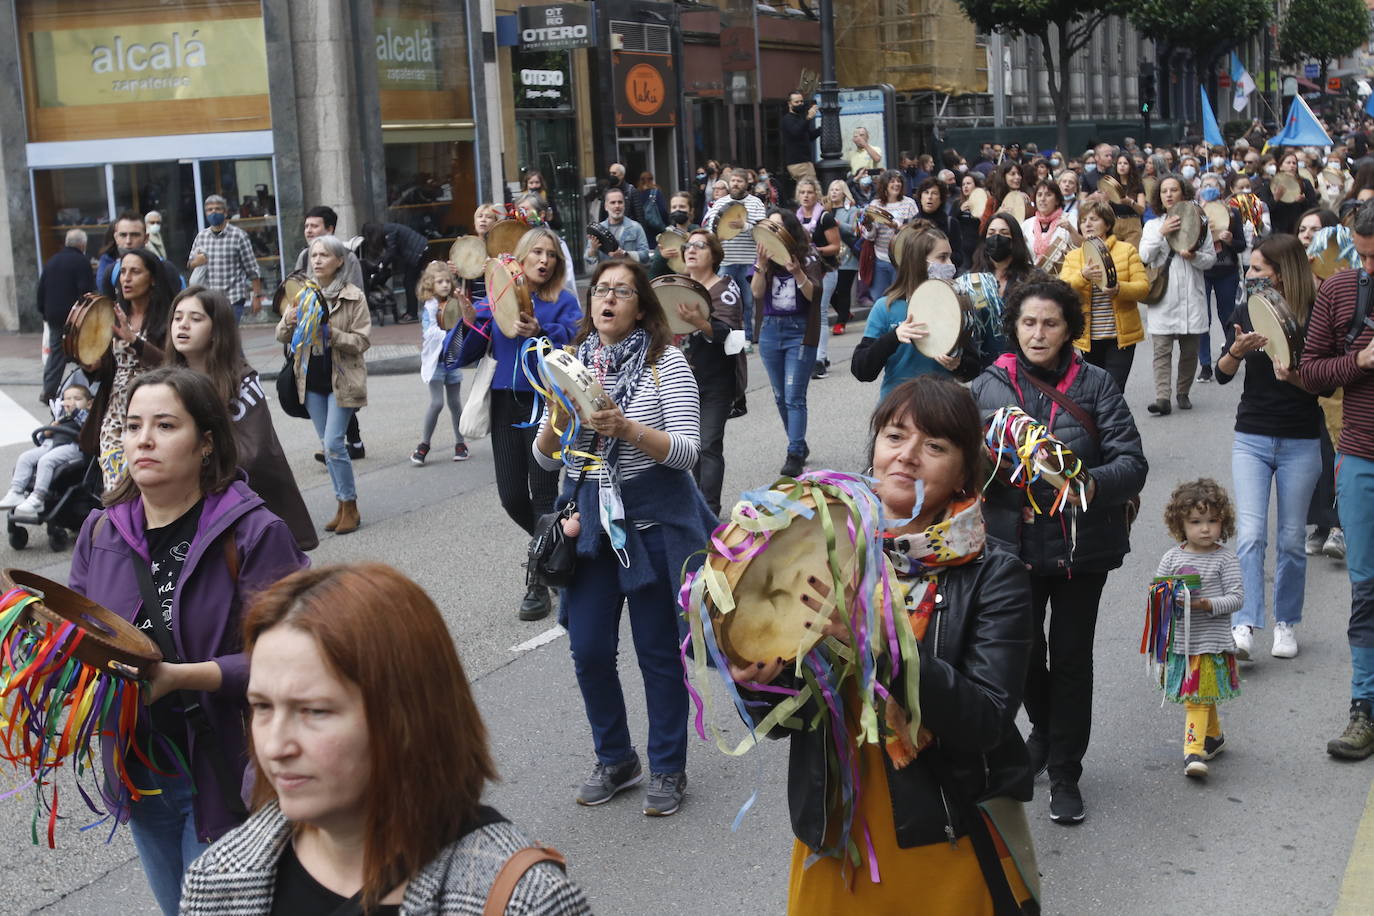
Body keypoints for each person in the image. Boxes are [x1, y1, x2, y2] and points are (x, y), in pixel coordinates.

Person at [732, 375, 1036, 912]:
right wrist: (758, 681)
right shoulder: (821, 548)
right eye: (895, 436)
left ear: (964, 472)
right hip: (838, 830)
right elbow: (785, 721)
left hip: (944, 829)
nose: (908, 455)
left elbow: (986, 720)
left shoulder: (996, 575)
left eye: (935, 446)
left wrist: (876, 642)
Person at [179, 564, 590, 914]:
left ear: (410, 714)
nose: (274, 747)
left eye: (314, 711)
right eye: (262, 707)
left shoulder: (525, 901)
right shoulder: (219, 879)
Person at [68, 367, 309, 915]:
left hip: (227, 771)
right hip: (139, 771)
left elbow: (297, 658)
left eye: (165, 425)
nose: (143, 440)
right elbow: (81, 636)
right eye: (132, 426)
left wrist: (185, 678)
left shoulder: (254, 533)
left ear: (206, 443)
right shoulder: (101, 531)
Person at [533, 259, 714, 818]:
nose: (608, 299)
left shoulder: (667, 362)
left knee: (657, 653)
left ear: (640, 308)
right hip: (588, 521)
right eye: (601, 290)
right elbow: (546, 459)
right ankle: (616, 758)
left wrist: (628, 429)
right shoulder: (572, 362)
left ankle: (668, 766)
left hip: (652, 520)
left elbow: (687, 452)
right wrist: (557, 418)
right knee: (588, 650)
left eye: (622, 292)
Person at [971, 277, 1148, 824]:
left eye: (1050, 323)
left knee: (1071, 660)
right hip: (1011, 549)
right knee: (1022, 655)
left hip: (1081, 549)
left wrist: (1086, 484)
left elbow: (1132, 463)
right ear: (1014, 327)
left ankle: (1066, 771)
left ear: (1069, 328)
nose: (1038, 333)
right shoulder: (988, 386)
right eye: (1029, 322)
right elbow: (965, 465)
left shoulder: (1095, 384)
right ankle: (1045, 732)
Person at [455, 226, 581, 621]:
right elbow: (461, 355)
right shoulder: (499, 296)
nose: (545, 260)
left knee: (543, 495)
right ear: (521, 258)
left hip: (547, 402)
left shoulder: (563, 301)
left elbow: (578, 345)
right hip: (504, 403)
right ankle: (557, 550)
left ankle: (538, 582)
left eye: (552, 255)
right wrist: (468, 321)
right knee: (511, 497)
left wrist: (543, 331)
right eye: (537, 253)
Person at [1218, 234, 1324, 662]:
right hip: (1253, 436)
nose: (1250, 275)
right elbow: (1222, 372)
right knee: (1250, 535)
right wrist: (1235, 351)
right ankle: (1244, 623)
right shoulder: (1247, 310)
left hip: (1301, 439)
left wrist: (1294, 377)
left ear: (1281, 273)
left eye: (1258, 269)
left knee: (1293, 538)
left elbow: (1327, 385)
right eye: (1250, 268)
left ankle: (1286, 623)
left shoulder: (1316, 314)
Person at [165, 287, 318, 552]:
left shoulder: (241, 379)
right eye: (177, 318)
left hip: (244, 507)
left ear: (217, 330)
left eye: (195, 318)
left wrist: (196, 464)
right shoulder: (166, 382)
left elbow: (254, 451)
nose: (183, 325)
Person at [276, 235, 371, 535]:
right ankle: (341, 505)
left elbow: (362, 341)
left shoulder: (354, 296)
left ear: (339, 261)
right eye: (314, 255)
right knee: (328, 447)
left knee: (333, 444)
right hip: (311, 380)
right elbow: (281, 336)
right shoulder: (303, 294)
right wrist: (289, 320)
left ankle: (350, 506)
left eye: (324, 255)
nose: (317, 260)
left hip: (342, 379)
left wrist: (332, 334)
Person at [1153, 479, 1244, 779]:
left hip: (1211, 641)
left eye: (1212, 521)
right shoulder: (1172, 558)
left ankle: (1192, 751)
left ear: (1223, 522)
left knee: (1197, 696)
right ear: (1180, 523)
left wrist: (1207, 604)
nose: (1205, 529)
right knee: (1203, 694)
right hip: (1183, 642)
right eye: (1195, 522)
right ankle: (1213, 736)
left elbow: (1236, 598)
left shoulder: (1225, 558)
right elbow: (1157, 592)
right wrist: (1168, 597)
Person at [81, 247, 179, 491]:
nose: (126, 278)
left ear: (152, 278)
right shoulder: (114, 314)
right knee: (115, 488)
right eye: (123, 272)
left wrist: (134, 341)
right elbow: (109, 367)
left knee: (150, 487)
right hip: (116, 415)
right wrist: (92, 365)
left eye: (135, 272)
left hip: (156, 410)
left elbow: (172, 365)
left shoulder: (169, 317)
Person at [852, 226, 979, 399]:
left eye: (950, 256)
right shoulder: (886, 307)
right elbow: (861, 370)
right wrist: (894, 337)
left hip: (943, 406)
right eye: (942, 257)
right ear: (918, 262)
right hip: (898, 406)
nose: (950, 264)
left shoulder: (955, 304)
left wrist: (958, 364)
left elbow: (973, 367)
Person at [751, 208, 826, 476]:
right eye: (769, 227)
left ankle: (794, 452)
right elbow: (756, 293)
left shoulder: (807, 256)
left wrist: (797, 273)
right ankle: (799, 444)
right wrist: (761, 265)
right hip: (771, 331)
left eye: (777, 227)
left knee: (794, 395)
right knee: (780, 396)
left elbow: (813, 295)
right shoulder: (765, 257)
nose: (772, 232)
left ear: (789, 230)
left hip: (800, 331)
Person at [679, 229, 745, 516]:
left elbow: (732, 335)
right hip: (684, 379)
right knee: (692, 447)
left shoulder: (725, 289)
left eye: (700, 246)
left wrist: (701, 323)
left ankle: (710, 511)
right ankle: (700, 505)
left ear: (714, 255)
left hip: (717, 380)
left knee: (708, 444)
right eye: (688, 245)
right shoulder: (680, 287)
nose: (691, 250)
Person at [1139, 174, 1216, 415]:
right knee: (1161, 352)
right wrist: (1162, 233)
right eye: (1164, 191)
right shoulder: (1153, 226)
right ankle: (1163, 397)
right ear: (1159, 197)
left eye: (1173, 190)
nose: (1169, 194)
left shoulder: (1199, 223)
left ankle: (1183, 392)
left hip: (1192, 296)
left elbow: (1210, 259)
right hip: (1164, 297)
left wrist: (1195, 257)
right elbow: (1144, 256)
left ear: (1183, 193)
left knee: (1190, 352)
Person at [1059, 199, 1148, 393]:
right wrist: (1082, 276)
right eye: (1083, 220)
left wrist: (1119, 289)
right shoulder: (1074, 256)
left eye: (1094, 219)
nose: (1087, 224)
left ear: (1107, 224)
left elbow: (1143, 288)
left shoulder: (1127, 250)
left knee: (1113, 391)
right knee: (1096, 392)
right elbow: (1062, 290)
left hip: (1120, 337)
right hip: (1089, 339)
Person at [1, 383, 91, 519]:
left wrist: (75, 412)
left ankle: (39, 496)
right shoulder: (62, 416)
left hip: (74, 446)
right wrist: (48, 432)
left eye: (77, 399)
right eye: (68, 399)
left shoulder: (87, 416)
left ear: (89, 403)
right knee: (25, 457)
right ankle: (16, 491)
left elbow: (89, 428)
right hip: (54, 445)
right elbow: (42, 438)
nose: (72, 402)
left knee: (46, 461)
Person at [410, 261, 468, 466]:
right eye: (439, 282)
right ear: (430, 284)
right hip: (436, 363)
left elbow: (464, 322)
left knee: (455, 403)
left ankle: (460, 443)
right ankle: (424, 444)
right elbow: (430, 332)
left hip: (452, 360)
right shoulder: (430, 306)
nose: (444, 285)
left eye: (447, 281)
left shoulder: (453, 302)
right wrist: (451, 334)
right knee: (437, 403)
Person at [36, 227, 94, 403]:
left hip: (54, 316)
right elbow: (86, 291)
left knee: (56, 354)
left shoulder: (52, 261)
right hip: (75, 317)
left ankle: (49, 391)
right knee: (84, 351)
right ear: (83, 244)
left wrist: (44, 312)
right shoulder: (82, 262)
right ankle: (89, 388)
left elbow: (41, 289)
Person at [187, 194, 263, 325]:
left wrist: (256, 296)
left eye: (217, 209)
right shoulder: (201, 237)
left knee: (228, 335)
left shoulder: (239, 236)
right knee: (212, 335)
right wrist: (196, 262)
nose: (213, 212)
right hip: (209, 299)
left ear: (225, 212)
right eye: (209, 210)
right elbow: (190, 264)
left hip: (233, 299)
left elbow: (252, 269)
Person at [705, 168, 770, 318]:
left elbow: (762, 233)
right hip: (726, 261)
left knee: (748, 303)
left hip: (749, 262)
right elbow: (710, 230)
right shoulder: (720, 203)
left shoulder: (756, 203)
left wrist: (744, 226)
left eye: (739, 181)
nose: (735, 184)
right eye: (733, 181)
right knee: (725, 303)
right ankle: (731, 331)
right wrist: (717, 237)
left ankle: (748, 332)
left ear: (746, 184)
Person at [795, 178, 841, 379]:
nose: (806, 196)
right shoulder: (795, 218)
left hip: (825, 270)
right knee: (807, 314)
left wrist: (815, 250)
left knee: (820, 312)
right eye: (802, 192)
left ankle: (819, 360)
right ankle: (816, 354)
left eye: (810, 192)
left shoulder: (825, 217)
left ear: (816, 195)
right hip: (803, 271)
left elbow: (835, 246)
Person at [861, 169, 918, 297]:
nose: (896, 184)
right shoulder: (875, 205)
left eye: (899, 181)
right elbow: (870, 237)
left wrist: (897, 227)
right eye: (892, 181)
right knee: (879, 297)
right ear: (885, 184)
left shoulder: (909, 203)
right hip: (880, 258)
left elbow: (914, 231)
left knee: (899, 297)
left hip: (902, 259)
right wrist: (868, 226)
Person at [1022, 179, 1077, 277]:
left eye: (1048, 195)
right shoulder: (1026, 224)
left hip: (1062, 279)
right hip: (1031, 279)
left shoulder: (1070, 219)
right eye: (1039, 195)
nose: (1042, 199)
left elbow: (1080, 247)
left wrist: (1071, 230)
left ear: (1057, 200)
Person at [827, 180, 860, 335]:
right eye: (832, 189)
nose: (834, 192)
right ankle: (844, 312)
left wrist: (837, 223)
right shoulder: (825, 210)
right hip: (829, 256)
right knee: (828, 290)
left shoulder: (852, 210)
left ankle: (840, 323)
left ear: (844, 193)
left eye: (837, 190)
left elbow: (854, 230)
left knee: (843, 289)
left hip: (847, 256)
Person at [1259, 150, 1319, 236]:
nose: (1292, 165)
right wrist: (1275, 199)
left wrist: (1303, 201)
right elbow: (1264, 209)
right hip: (1277, 229)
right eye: (1288, 163)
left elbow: (1314, 207)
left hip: (1297, 227)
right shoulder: (1268, 185)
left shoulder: (1305, 183)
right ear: (1280, 166)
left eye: (1294, 163)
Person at [586, 187, 650, 266]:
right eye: (613, 203)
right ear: (606, 206)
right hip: (607, 273)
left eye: (620, 202)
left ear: (624, 205)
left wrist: (625, 254)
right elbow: (588, 259)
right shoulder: (598, 230)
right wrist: (593, 250)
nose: (617, 206)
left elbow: (645, 256)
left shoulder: (636, 227)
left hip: (628, 272)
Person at [384, 221, 431, 324]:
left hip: (417, 252)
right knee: (409, 282)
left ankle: (412, 313)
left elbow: (391, 251)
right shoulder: (390, 228)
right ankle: (411, 312)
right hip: (420, 249)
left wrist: (382, 263)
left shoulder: (388, 231)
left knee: (409, 282)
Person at [913, 176, 964, 270]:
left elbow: (959, 257)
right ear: (920, 197)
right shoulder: (911, 223)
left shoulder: (951, 224)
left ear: (941, 199)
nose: (929, 197)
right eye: (926, 192)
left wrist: (941, 255)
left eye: (934, 193)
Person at [1105, 153, 1147, 248]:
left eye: (1125, 163)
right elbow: (1106, 209)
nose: (1122, 166)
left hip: (1132, 223)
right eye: (1119, 163)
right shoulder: (1111, 185)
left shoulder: (1137, 185)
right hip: (1115, 223)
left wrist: (1131, 202)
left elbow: (1142, 210)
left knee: (1130, 252)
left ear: (1130, 166)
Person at [781, 90, 821, 189]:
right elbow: (796, 132)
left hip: (805, 161)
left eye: (801, 101)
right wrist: (808, 118)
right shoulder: (787, 119)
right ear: (789, 103)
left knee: (809, 189)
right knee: (812, 189)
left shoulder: (800, 118)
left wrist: (822, 129)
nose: (800, 104)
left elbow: (808, 136)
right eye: (796, 102)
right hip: (798, 163)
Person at [634, 171, 670, 236]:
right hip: (656, 228)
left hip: (642, 229)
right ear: (652, 179)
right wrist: (666, 223)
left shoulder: (635, 193)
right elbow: (663, 210)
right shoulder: (656, 192)